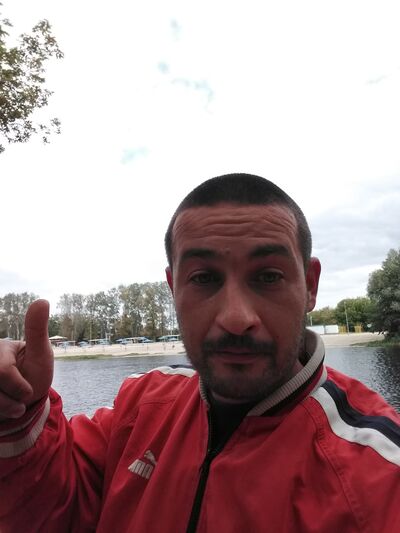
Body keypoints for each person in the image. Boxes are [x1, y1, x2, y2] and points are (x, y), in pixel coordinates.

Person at [0, 173, 399, 533]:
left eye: (268, 276)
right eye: (204, 278)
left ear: (310, 285)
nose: (236, 318)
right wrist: (19, 413)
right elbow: (48, 510)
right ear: (174, 287)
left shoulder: (380, 474)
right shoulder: (141, 407)